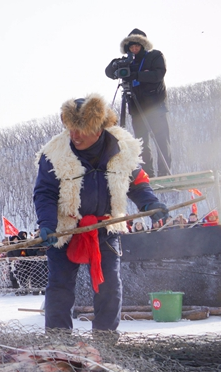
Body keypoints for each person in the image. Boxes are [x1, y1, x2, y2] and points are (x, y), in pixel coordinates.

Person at [34, 95, 167, 331]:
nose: (75, 135)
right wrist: (47, 223)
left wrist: (150, 204)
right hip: (65, 228)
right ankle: (58, 342)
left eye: (81, 130)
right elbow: (45, 192)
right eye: (71, 129)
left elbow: (138, 183)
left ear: (98, 128)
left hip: (106, 227)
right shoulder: (53, 153)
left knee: (109, 287)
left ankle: (105, 341)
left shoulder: (123, 148)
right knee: (59, 287)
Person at [105, 29, 172, 177]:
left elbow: (158, 74)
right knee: (141, 144)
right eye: (131, 46)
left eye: (137, 46)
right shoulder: (128, 62)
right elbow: (109, 72)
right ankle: (147, 173)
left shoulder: (155, 56)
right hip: (136, 108)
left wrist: (137, 75)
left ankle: (164, 172)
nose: (134, 49)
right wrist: (118, 64)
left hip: (155, 106)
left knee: (161, 140)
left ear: (143, 45)